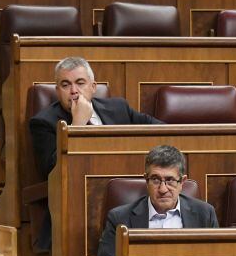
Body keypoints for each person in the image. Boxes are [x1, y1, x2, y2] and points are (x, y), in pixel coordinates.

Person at [93, 145, 219, 256]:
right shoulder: (120, 218)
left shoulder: (204, 214)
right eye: (155, 180)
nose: (163, 189)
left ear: (182, 182)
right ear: (146, 180)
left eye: (170, 180)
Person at [30, 56, 162, 178]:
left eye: (80, 83)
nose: (74, 90)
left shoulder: (118, 108)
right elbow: (50, 171)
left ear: (93, 87)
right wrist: (77, 126)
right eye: (65, 85)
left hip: (126, 179)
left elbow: (162, 130)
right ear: (57, 91)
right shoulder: (43, 122)